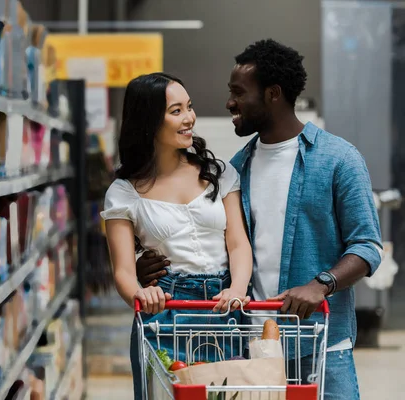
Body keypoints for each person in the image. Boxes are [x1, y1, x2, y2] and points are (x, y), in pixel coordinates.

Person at [135, 39, 383, 400]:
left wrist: (321, 284)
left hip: (322, 343)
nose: (229, 103)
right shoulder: (235, 169)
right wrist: (149, 268)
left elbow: (368, 246)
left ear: (273, 94)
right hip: (251, 345)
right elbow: (216, 248)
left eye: (238, 92)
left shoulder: (338, 159)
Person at [101, 72, 253, 399]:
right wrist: (140, 296)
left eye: (189, 107)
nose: (189, 118)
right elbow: (124, 271)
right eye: (176, 111)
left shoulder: (220, 173)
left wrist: (237, 289)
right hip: (167, 310)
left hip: (223, 308)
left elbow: (238, 243)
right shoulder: (124, 192)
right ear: (149, 121)